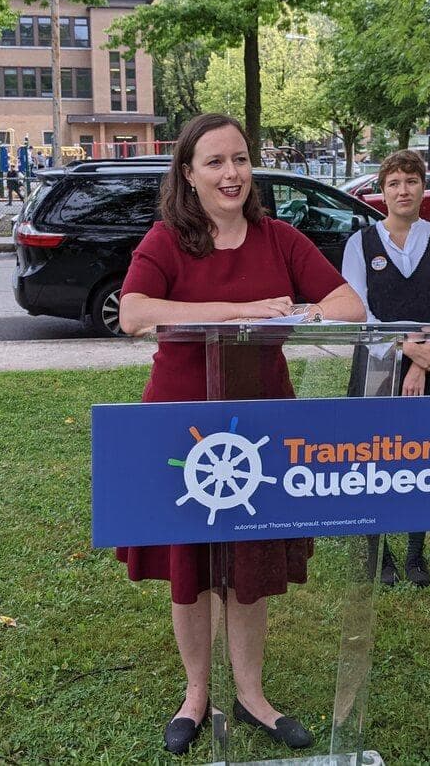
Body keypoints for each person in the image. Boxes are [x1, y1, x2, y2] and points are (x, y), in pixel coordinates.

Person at [118, 114, 364, 755]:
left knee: (248, 564)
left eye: (240, 159)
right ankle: (196, 694)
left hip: (261, 425)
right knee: (191, 566)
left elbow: (348, 305)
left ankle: (252, 694)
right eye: (215, 162)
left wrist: (301, 309)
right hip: (184, 429)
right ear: (189, 175)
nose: (231, 174)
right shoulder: (167, 241)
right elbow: (135, 313)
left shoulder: (279, 238)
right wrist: (240, 311)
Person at [342, 149, 430, 588]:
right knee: (373, 456)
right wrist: (406, 350)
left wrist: (423, 359)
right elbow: (358, 312)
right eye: (394, 182)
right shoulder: (360, 244)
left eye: (411, 181)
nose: (403, 190)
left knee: (423, 457)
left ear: (423, 187)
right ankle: (382, 553)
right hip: (378, 364)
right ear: (381, 191)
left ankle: (416, 552)